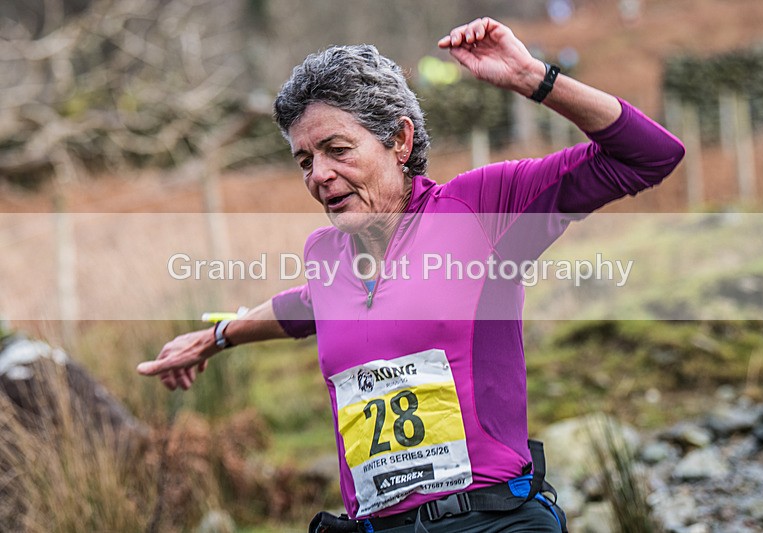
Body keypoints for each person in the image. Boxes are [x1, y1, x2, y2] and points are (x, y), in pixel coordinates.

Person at [137, 17, 684, 533]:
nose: (320, 175)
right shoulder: (326, 254)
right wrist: (216, 337)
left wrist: (531, 77)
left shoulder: (480, 210)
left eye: (337, 150)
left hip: (491, 520)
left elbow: (649, 156)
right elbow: (306, 307)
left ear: (399, 141)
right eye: (305, 160)